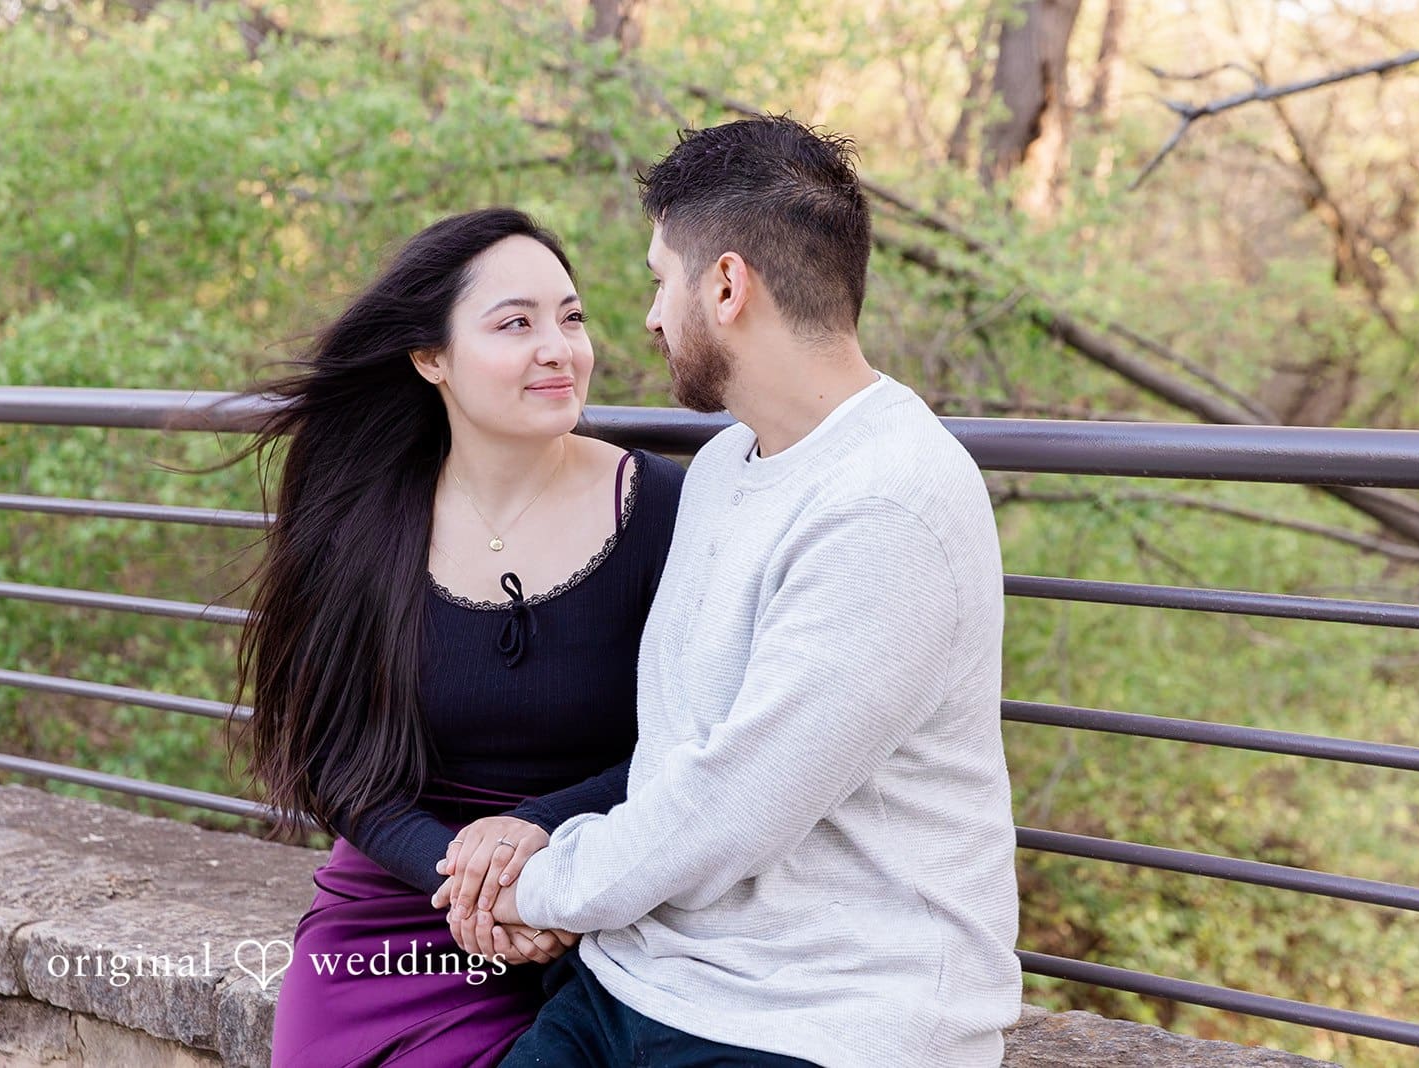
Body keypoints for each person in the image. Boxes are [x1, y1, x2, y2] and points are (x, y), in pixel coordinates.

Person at [433, 118, 1022, 1067]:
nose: (654, 317)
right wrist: (544, 852)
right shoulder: (722, 468)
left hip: (821, 1016)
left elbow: (733, 807)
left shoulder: (889, 503)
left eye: (663, 279)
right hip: (642, 977)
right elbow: (681, 756)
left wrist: (537, 888)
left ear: (727, 285)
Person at [229, 207, 684, 1066]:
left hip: (592, 912)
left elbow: (700, 742)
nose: (560, 347)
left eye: (572, 316)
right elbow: (332, 763)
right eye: (516, 323)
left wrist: (540, 847)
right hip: (397, 913)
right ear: (430, 356)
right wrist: (467, 883)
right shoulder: (366, 515)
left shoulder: (665, 510)